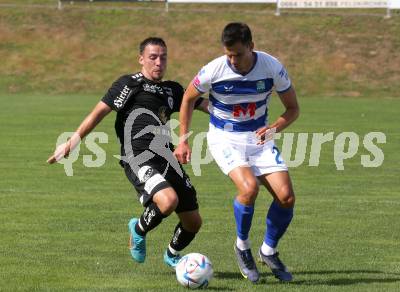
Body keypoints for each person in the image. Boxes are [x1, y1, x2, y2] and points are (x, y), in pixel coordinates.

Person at [47, 37, 209, 268]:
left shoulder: (172, 89)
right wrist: (72, 141)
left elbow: (202, 105)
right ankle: (138, 229)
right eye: (152, 57)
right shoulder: (129, 84)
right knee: (168, 200)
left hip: (167, 157)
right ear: (141, 59)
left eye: (163, 57)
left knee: (193, 222)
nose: (158, 62)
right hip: (138, 156)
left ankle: (172, 254)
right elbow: (98, 113)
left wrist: (238, 117)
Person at [175, 23, 299, 283]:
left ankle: (268, 251)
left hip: (258, 139)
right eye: (229, 54)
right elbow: (187, 99)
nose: (233, 60)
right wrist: (183, 140)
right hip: (225, 139)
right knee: (248, 189)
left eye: (238, 54)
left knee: (286, 197)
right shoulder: (213, 70)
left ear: (251, 47)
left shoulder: (271, 67)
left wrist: (274, 127)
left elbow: (292, 109)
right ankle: (243, 247)